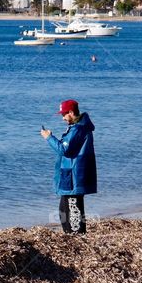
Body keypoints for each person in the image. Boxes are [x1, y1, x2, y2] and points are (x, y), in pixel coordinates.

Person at [41, 99, 97, 234]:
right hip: (71, 174)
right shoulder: (78, 127)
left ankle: (77, 237)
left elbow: (64, 150)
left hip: (74, 176)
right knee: (63, 211)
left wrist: (49, 137)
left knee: (72, 211)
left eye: (64, 115)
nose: (63, 118)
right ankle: (71, 235)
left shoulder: (78, 129)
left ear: (71, 112)